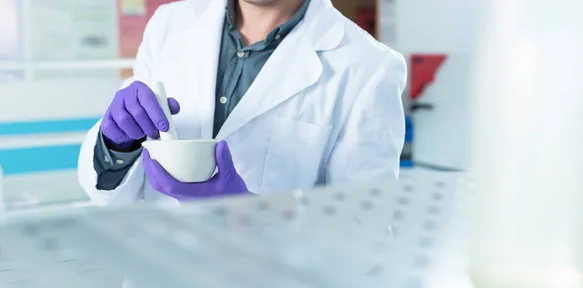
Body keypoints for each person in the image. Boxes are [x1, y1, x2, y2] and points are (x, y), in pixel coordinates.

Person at [78, 0, 407, 207]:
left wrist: (247, 215)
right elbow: (115, 194)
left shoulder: (369, 67)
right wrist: (116, 147)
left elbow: (365, 238)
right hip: (159, 286)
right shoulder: (170, 24)